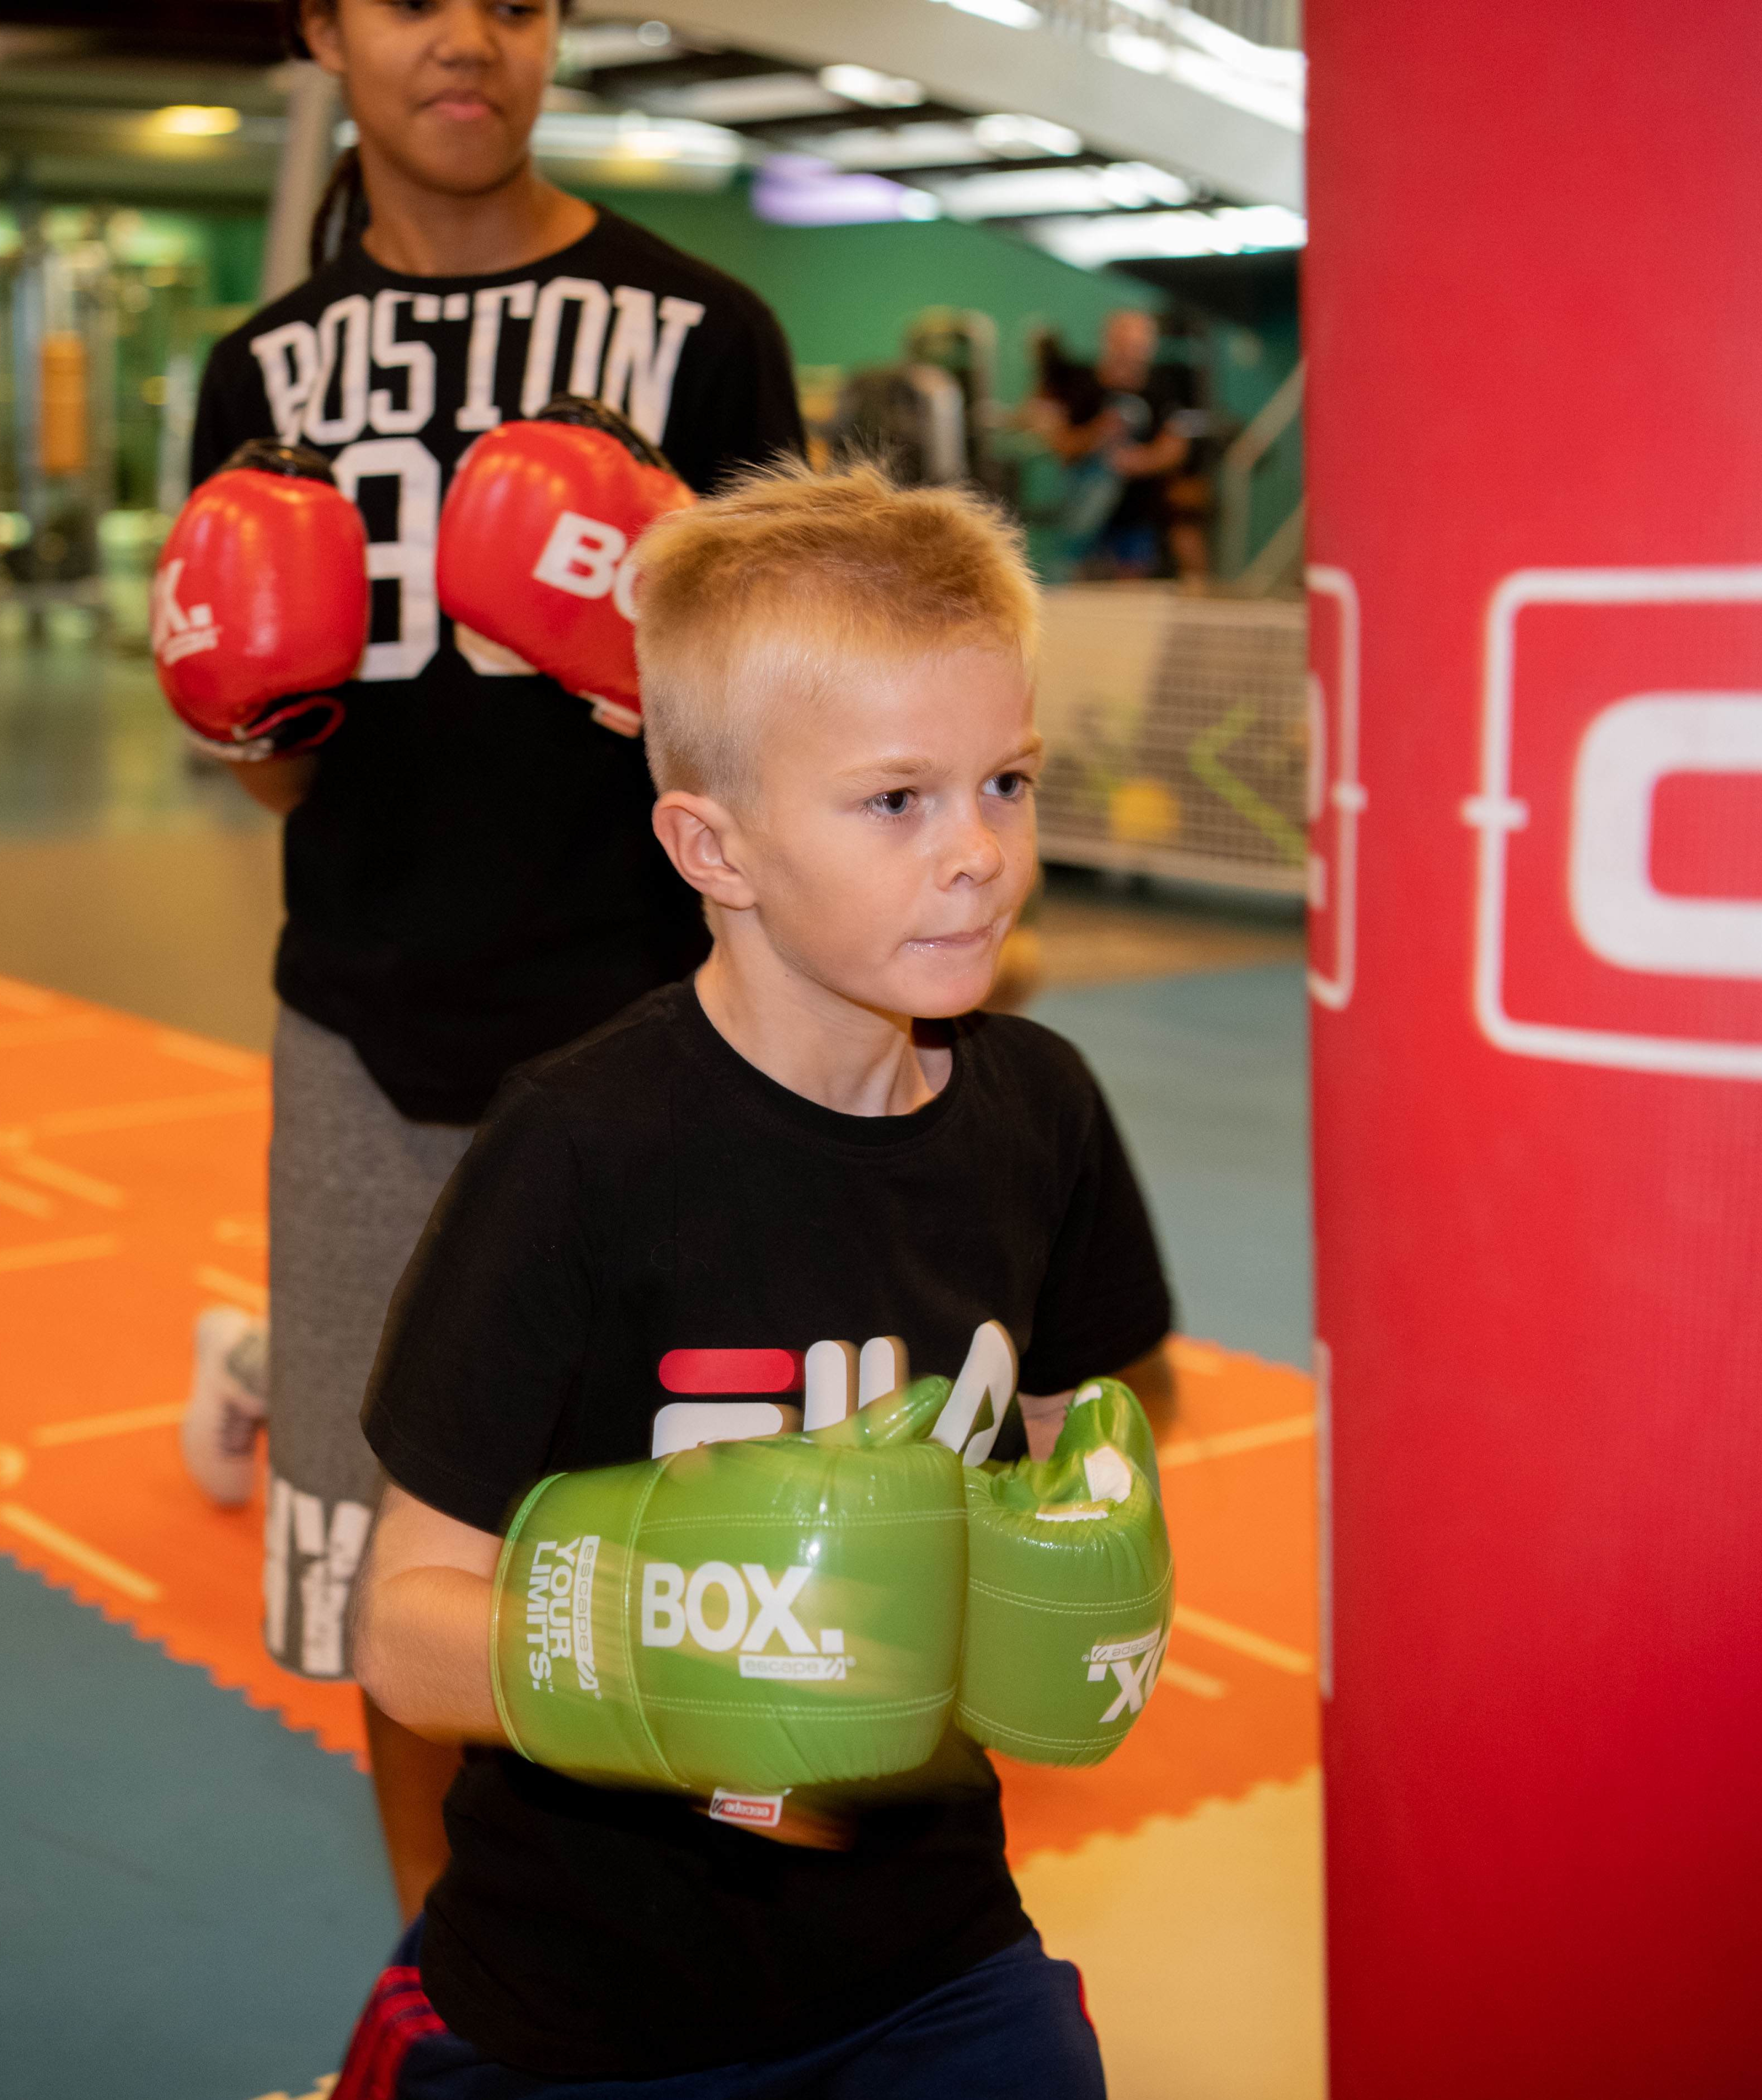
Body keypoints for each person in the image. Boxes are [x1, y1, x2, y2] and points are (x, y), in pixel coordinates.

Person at [342, 463, 1178, 2092]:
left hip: (934, 1951)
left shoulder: (1043, 1112)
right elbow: (402, 1631)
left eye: (1005, 781)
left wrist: (1076, 1556)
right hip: (595, 2004)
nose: (978, 857)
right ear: (709, 844)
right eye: (897, 801)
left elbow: (1078, 1432)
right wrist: (676, 1665)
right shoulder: (581, 1152)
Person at [177, 0, 804, 1922]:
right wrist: (248, 711)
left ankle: (683, 2003)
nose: (471, 38)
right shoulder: (263, 366)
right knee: (402, 1573)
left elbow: (792, 742)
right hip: (369, 1047)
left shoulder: (705, 334)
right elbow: (278, 787)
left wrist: (671, 669)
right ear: (325, 26)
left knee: (690, 1577)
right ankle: (440, 2004)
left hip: (668, 1057)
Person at [1033, 308, 1204, 581]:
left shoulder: (1166, 390)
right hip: (1081, 513)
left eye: (1140, 344)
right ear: (1109, 341)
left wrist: (1137, 461)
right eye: (1126, 343)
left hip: (1137, 515)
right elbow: (1060, 443)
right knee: (1074, 586)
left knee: (1130, 592)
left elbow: (1175, 448)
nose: (1133, 352)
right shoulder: (1080, 386)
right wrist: (1097, 433)